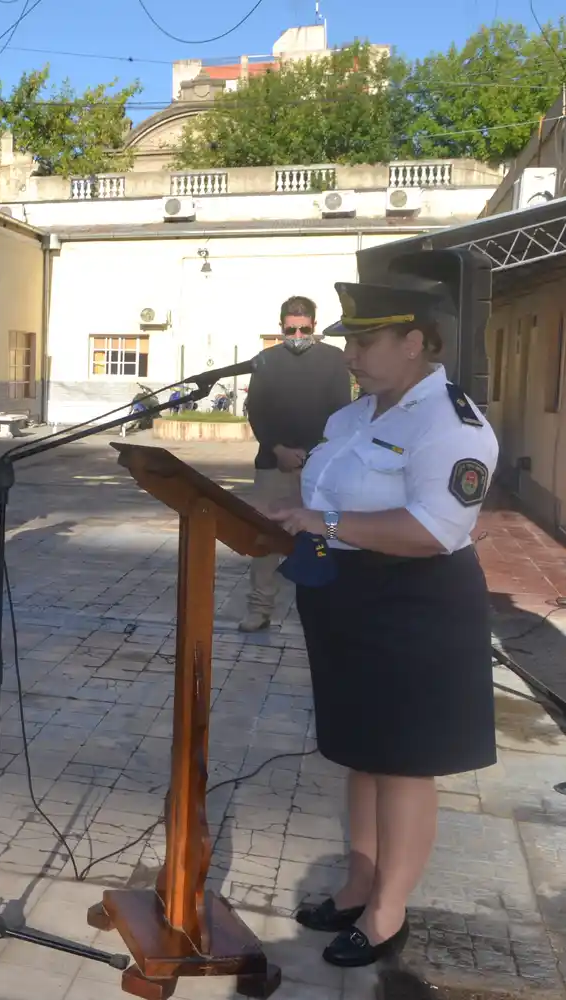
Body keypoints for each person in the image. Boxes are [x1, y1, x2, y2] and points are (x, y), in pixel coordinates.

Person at [270, 281, 498, 969]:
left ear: (415, 342)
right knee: (362, 752)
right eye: (348, 339)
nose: (350, 354)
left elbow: (434, 529)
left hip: (415, 602)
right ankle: (358, 885)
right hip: (349, 596)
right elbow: (323, 495)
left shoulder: (452, 426)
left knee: (403, 764)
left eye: (364, 342)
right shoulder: (356, 418)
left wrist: (328, 522)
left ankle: (388, 909)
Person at [241, 295, 354, 632]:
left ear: (314, 326)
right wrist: (278, 449)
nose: (298, 335)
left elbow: (340, 412)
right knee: (265, 536)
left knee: (327, 531)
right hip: (272, 464)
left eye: (304, 328)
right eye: (291, 329)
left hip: (320, 466)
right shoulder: (264, 361)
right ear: (281, 327)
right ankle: (260, 608)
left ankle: (329, 606)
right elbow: (256, 411)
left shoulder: (335, 361)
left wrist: (311, 455)